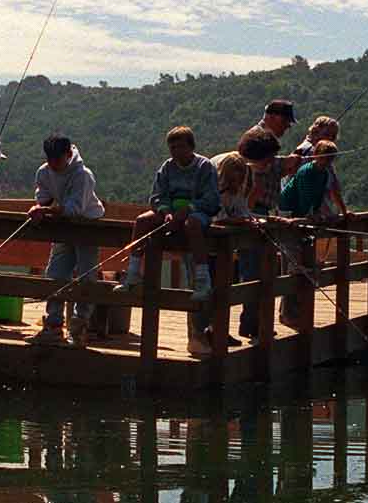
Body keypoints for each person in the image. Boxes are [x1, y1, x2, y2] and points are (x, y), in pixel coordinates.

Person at [120, 125, 218, 301]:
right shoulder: (167, 167)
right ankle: (133, 272)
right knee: (141, 221)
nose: (176, 151)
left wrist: (188, 209)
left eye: (181, 147)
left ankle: (203, 280)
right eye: (172, 148)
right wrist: (165, 212)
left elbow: (211, 200)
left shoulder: (205, 167)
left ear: (191, 146)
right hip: (170, 211)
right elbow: (157, 196)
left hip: (197, 212)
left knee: (193, 224)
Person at [27, 133, 105, 346]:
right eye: (49, 159)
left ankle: (79, 326)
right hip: (63, 229)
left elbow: (74, 209)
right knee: (55, 274)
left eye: (57, 159)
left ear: (68, 155)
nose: (52, 164)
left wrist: (46, 210)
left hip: (87, 226)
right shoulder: (44, 172)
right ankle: (53, 325)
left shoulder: (83, 175)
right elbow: (43, 197)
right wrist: (40, 208)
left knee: (86, 276)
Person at [210, 126, 285, 343]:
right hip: (211, 235)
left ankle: (221, 331)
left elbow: (241, 206)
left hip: (226, 234)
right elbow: (218, 211)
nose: (270, 164)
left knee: (226, 282)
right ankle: (211, 333)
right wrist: (242, 219)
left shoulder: (246, 170)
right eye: (268, 159)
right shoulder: (226, 167)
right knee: (214, 284)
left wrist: (256, 219)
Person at [276, 138, 337, 328]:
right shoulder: (306, 172)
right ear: (316, 156)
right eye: (325, 158)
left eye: (330, 159)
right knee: (293, 262)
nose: (327, 163)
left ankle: (293, 312)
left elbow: (317, 197)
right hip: (289, 212)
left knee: (301, 263)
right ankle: (289, 313)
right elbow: (302, 197)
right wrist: (308, 216)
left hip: (303, 216)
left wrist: (317, 212)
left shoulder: (324, 174)